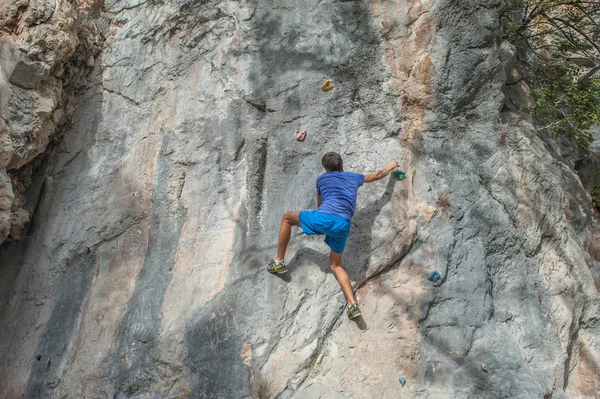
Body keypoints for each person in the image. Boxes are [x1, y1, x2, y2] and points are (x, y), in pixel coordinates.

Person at [267, 152, 400, 319]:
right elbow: (377, 175)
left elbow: (319, 203)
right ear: (341, 164)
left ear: (325, 168)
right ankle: (353, 305)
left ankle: (278, 261)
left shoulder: (321, 180)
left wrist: (320, 219)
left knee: (287, 218)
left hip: (324, 218)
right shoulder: (353, 177)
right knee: (336, 265)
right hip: (343, 225)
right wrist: (391, 165)